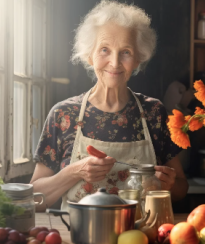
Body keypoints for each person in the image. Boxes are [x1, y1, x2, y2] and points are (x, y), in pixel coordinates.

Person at [30, 1, 188, 211]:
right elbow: (35, 198)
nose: (114, 63)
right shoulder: (63, 114)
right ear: (89, 55)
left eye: (126, 52)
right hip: (81, 240)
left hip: (140, 240)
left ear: (138, 59)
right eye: (104, 50)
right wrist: (74, 172)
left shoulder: (154, 113)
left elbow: (181, 189)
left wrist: (168, 185)